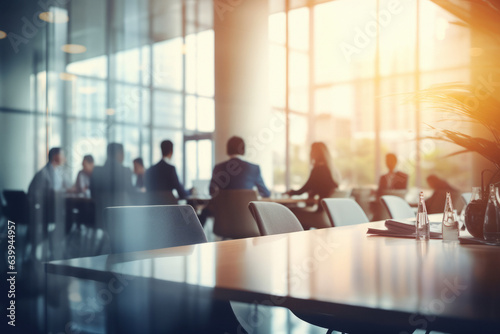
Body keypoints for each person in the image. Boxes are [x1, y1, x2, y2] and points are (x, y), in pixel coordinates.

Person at [285, 142, 339, 230]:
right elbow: (321, 187)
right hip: (329, 215)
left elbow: (303, 189)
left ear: (315, 153)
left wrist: (290, 192)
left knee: (291, 210)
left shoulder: (318, 170)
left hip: (320, 213)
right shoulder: (332, 171)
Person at [90, 143, 135, 225]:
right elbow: (131, 195)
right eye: (123, 153)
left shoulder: (96, 171)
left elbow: (92, 195)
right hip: (121, 218)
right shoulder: (125, 171)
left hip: (100, 216)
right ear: (119, 154)